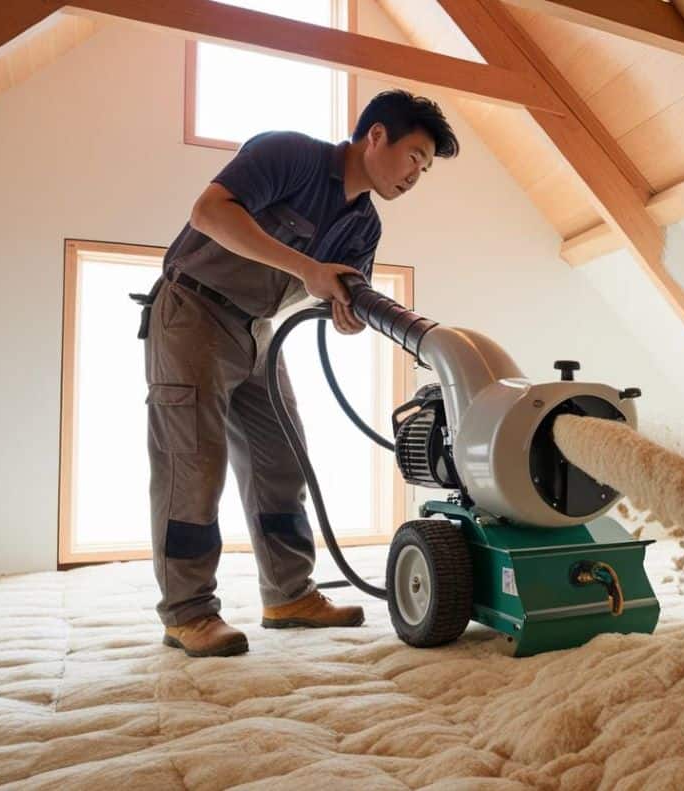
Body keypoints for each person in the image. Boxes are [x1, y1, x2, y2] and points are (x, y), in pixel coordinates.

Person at [136, 90, 459, 657]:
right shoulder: (291, 156)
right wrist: (309, 269)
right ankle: (188, 612)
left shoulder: (365, 227)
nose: (416, 175)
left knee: (281, 460)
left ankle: (288, 594)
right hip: (193, 312)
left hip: (258, 330)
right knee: (194, 463)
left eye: (426, 169)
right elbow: (208, 213)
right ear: (376, 135)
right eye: (414, 156)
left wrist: (350, 315)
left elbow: (338, 297)